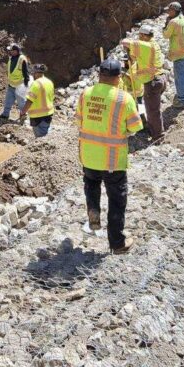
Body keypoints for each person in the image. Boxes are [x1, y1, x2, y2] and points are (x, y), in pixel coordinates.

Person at [76, 58, 143, 255]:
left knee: (91, 185)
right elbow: (135, 127)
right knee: (116, 199)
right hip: (112, 160)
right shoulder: (123, 99)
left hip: (88, 156)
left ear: (100, 75)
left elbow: (79, 121)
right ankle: (117, 243)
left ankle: (94, 213)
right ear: (118, 77)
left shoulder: (86, 94)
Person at [121, 25, 165, 140]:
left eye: (140, 36)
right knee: (149, 109)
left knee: (150, 110)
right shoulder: (153, 45)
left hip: (145, 89)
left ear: (143, 35)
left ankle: (156, 134)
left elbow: (125, 42)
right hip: (153, 82)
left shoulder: (145, 47)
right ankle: (148, 128)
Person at [163, 2, 184, 107]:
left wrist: (166, 24)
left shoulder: (173, 22)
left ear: (174, 11)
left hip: (180, 54)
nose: (168, 13)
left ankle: (182, 101)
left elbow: (166, 35)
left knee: (180, 77)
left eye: (169, 10)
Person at [19, 63, 55, 138]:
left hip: (38, 116)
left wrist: (23, 112)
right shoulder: (49, 82)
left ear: (36, 73)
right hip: (48, 114)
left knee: (40, 138)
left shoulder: (36, 84)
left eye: (33, 73)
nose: (32, 75)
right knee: (45, 135)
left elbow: (29, 100)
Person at [0, 43, 30, 120]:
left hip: (19, 86)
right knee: (8, 101)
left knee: (21, 103)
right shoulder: (11, 58)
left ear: (15, 51)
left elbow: (26, 73)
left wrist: (26, 85)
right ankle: (5, 115)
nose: (9, 52)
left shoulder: (22, 59)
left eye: (11, 50)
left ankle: (23, 117)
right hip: (11, 85)